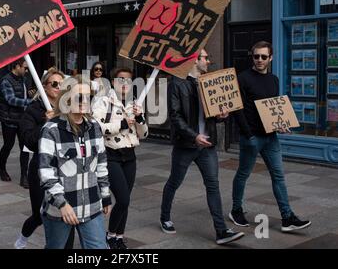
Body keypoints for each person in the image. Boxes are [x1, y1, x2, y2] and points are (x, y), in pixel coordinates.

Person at [160, 49, 245, 245]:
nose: (208, 60)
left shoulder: (207, 82)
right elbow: (175, 116)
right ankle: (165, 217)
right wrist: (193, 136)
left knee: (213, 185)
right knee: (174, 181)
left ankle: (221, 231)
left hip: (207, 144)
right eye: (205, 57)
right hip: (186, 145)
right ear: (193, 60)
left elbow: (212, 113)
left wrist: (221, 115)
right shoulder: (177, 83)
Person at [230, 41, 311, 232]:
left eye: (263, 57)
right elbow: (237, 109)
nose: (259, 60)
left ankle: (287, 217)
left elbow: (272, 108)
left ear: (270, 58)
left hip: (271, 137)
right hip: (251, 137)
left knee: (279, 175)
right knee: (243, 173)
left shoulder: (274, 79)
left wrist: (280, 125)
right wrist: (248, 134)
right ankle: (236, 209)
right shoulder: (243, 78)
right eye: (256, 56)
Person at [38, 75, 112, 249]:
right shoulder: (51, 130)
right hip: (61, 208)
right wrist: (62, 204)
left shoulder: (94, 127)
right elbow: (46, 173)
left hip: (92, 205)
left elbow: (101, 164)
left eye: (87, 96)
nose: (83, 101)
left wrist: (105, 195)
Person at [15, 67, 75, 249]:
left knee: (67, 216)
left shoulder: (70, 108)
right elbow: (29, 141)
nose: (58, 87)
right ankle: (23, 237)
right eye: (54, 84)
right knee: (40, 215)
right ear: (45, 87)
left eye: (61, 84)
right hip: (42, 169)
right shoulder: (34, 109)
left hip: (67, 169)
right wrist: (46, 124)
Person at [91, 67, 148, 249]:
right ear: (114, 81)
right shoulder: (102, 101)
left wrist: (139, 119)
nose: (125, 83)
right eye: (121, 79)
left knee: (126, 201)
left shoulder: (134, 104)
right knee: (123, 199)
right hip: (111, 154)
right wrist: (122, 124)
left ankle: (118, 237)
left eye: (128, 80)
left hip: (129, 155)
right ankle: (109, 236)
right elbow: (96, 127)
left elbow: (144, 133)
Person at [0, 58, 32, 187]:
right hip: (9, 119)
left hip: (23, 119)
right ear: (17, 66)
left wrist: (30, 95)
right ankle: (2, 168)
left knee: (25, 147)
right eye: (25, 67)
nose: (26, 70)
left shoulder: (23, 79)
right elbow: (11, 100)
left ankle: (24, 176)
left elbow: (24, 95)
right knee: (8, 145)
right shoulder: (6, 81)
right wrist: (30, 102)